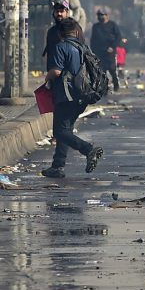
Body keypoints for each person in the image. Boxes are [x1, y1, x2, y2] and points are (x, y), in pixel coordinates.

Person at [41, 18, 104, 178]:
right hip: (82, 96)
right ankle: (57, 166)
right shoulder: (83, 47)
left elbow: (56, 71)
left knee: (60, 131)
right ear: (76, 32)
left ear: (61, 33)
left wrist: (46, 79)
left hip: (66, 95)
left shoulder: (60, 47)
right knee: (66, 130)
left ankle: (88, 149)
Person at [90, 8, 122, 92]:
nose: (100, 17)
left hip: (110, 52)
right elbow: (93, 40)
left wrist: (113, 47)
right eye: (99, 15)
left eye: (102, 15)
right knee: (101, 71)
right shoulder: (96, 27)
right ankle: (105, 88)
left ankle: (116, 84)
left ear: (107, 16)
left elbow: (118, 37)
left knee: (112, 69)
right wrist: (92, 51)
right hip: (99, 52)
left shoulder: (112, 25)